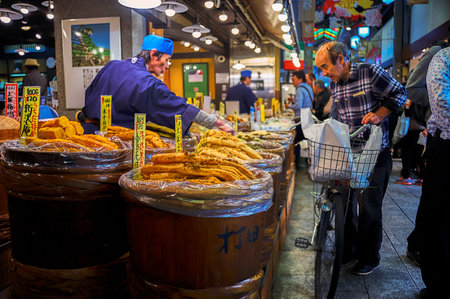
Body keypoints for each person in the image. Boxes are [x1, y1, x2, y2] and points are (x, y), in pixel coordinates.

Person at [315, 42, 406, 275]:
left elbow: (399, 94)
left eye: (325, 67)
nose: (323, 73)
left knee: (369, 208)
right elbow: (338, 114)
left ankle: (369, 258)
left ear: (342, 59)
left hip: (375, 154)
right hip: (349, 153)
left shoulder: (370, 72)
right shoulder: (335, 85)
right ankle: (348, 251)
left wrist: (379, 114)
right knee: (344, 205)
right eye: (320, 69)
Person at [80, 34, 231, 135]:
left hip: (86, 135)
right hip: (117, 143)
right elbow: (176, 105)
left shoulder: (112, 65)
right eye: (166, 59)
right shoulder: (148, 82)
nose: (167, 65)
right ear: (153, 54)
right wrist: (215, 122)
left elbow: (89, 93)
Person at [405, 41, 449, 268]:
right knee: (433, 199)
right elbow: (412, 88)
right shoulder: (438, 53)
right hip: (440, 133)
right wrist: (436, 100)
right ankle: (417, 246)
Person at [414, 46, 450, 298]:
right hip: (446, 146)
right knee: (438, 215)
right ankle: (438, 284)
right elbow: (441, 103)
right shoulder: (442, 58)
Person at [286, 70, 313, 168]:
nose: (292, 82)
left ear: (300, 79)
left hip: (301, 120)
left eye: (293, 80)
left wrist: (288, 106)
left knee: (297, 141)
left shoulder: (299, 89)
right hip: (308, 118)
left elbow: (299, 105)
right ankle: (306, 163)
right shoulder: (308, 87)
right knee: (305, 141)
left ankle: (296, 164)